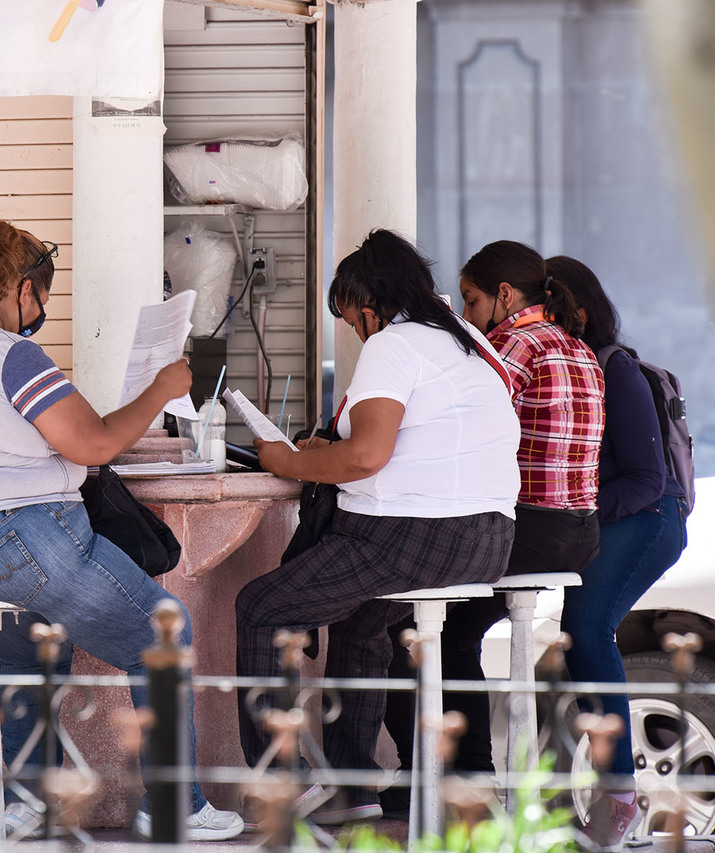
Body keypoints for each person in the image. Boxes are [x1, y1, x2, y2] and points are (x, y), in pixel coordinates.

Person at [0, 219, 244, 842]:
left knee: (27, 647)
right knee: (163, 633)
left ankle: (27, 802)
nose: (41, 310)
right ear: (23, 290)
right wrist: (161, 388)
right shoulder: (11, 354)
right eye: (41, 295)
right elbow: (94, 444)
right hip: (1, 544)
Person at [234, 229, 520, 822]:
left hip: (412, 535)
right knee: (362, 624)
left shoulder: (394, 343)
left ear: (369, 306)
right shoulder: (464, 337)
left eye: (352, 321)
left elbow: (365, 457)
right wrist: (330, 451)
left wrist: (286, 461)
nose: (357, 334)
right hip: (488, 538)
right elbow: (415, 440)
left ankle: (282, 779)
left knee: (261, 607)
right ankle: (352, 786)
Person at [384, 240, 606, 796]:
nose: (466, 315)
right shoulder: (577, 346)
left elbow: (452, 417)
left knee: (401, 623)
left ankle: (450, 775)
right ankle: (463, 773)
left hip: (529, 528)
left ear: (504, 295)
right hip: (579, 532)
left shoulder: (511, 344)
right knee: (451, 631)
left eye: (471, 300)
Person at [547, 255, 687, 850]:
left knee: (586, 626)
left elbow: (646, 481)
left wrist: (576, 510)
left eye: (551, 313)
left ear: (578, 313)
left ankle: (619, 793)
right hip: (615, 516)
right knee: (576, 632)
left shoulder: (615, 368)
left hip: (648, 517)